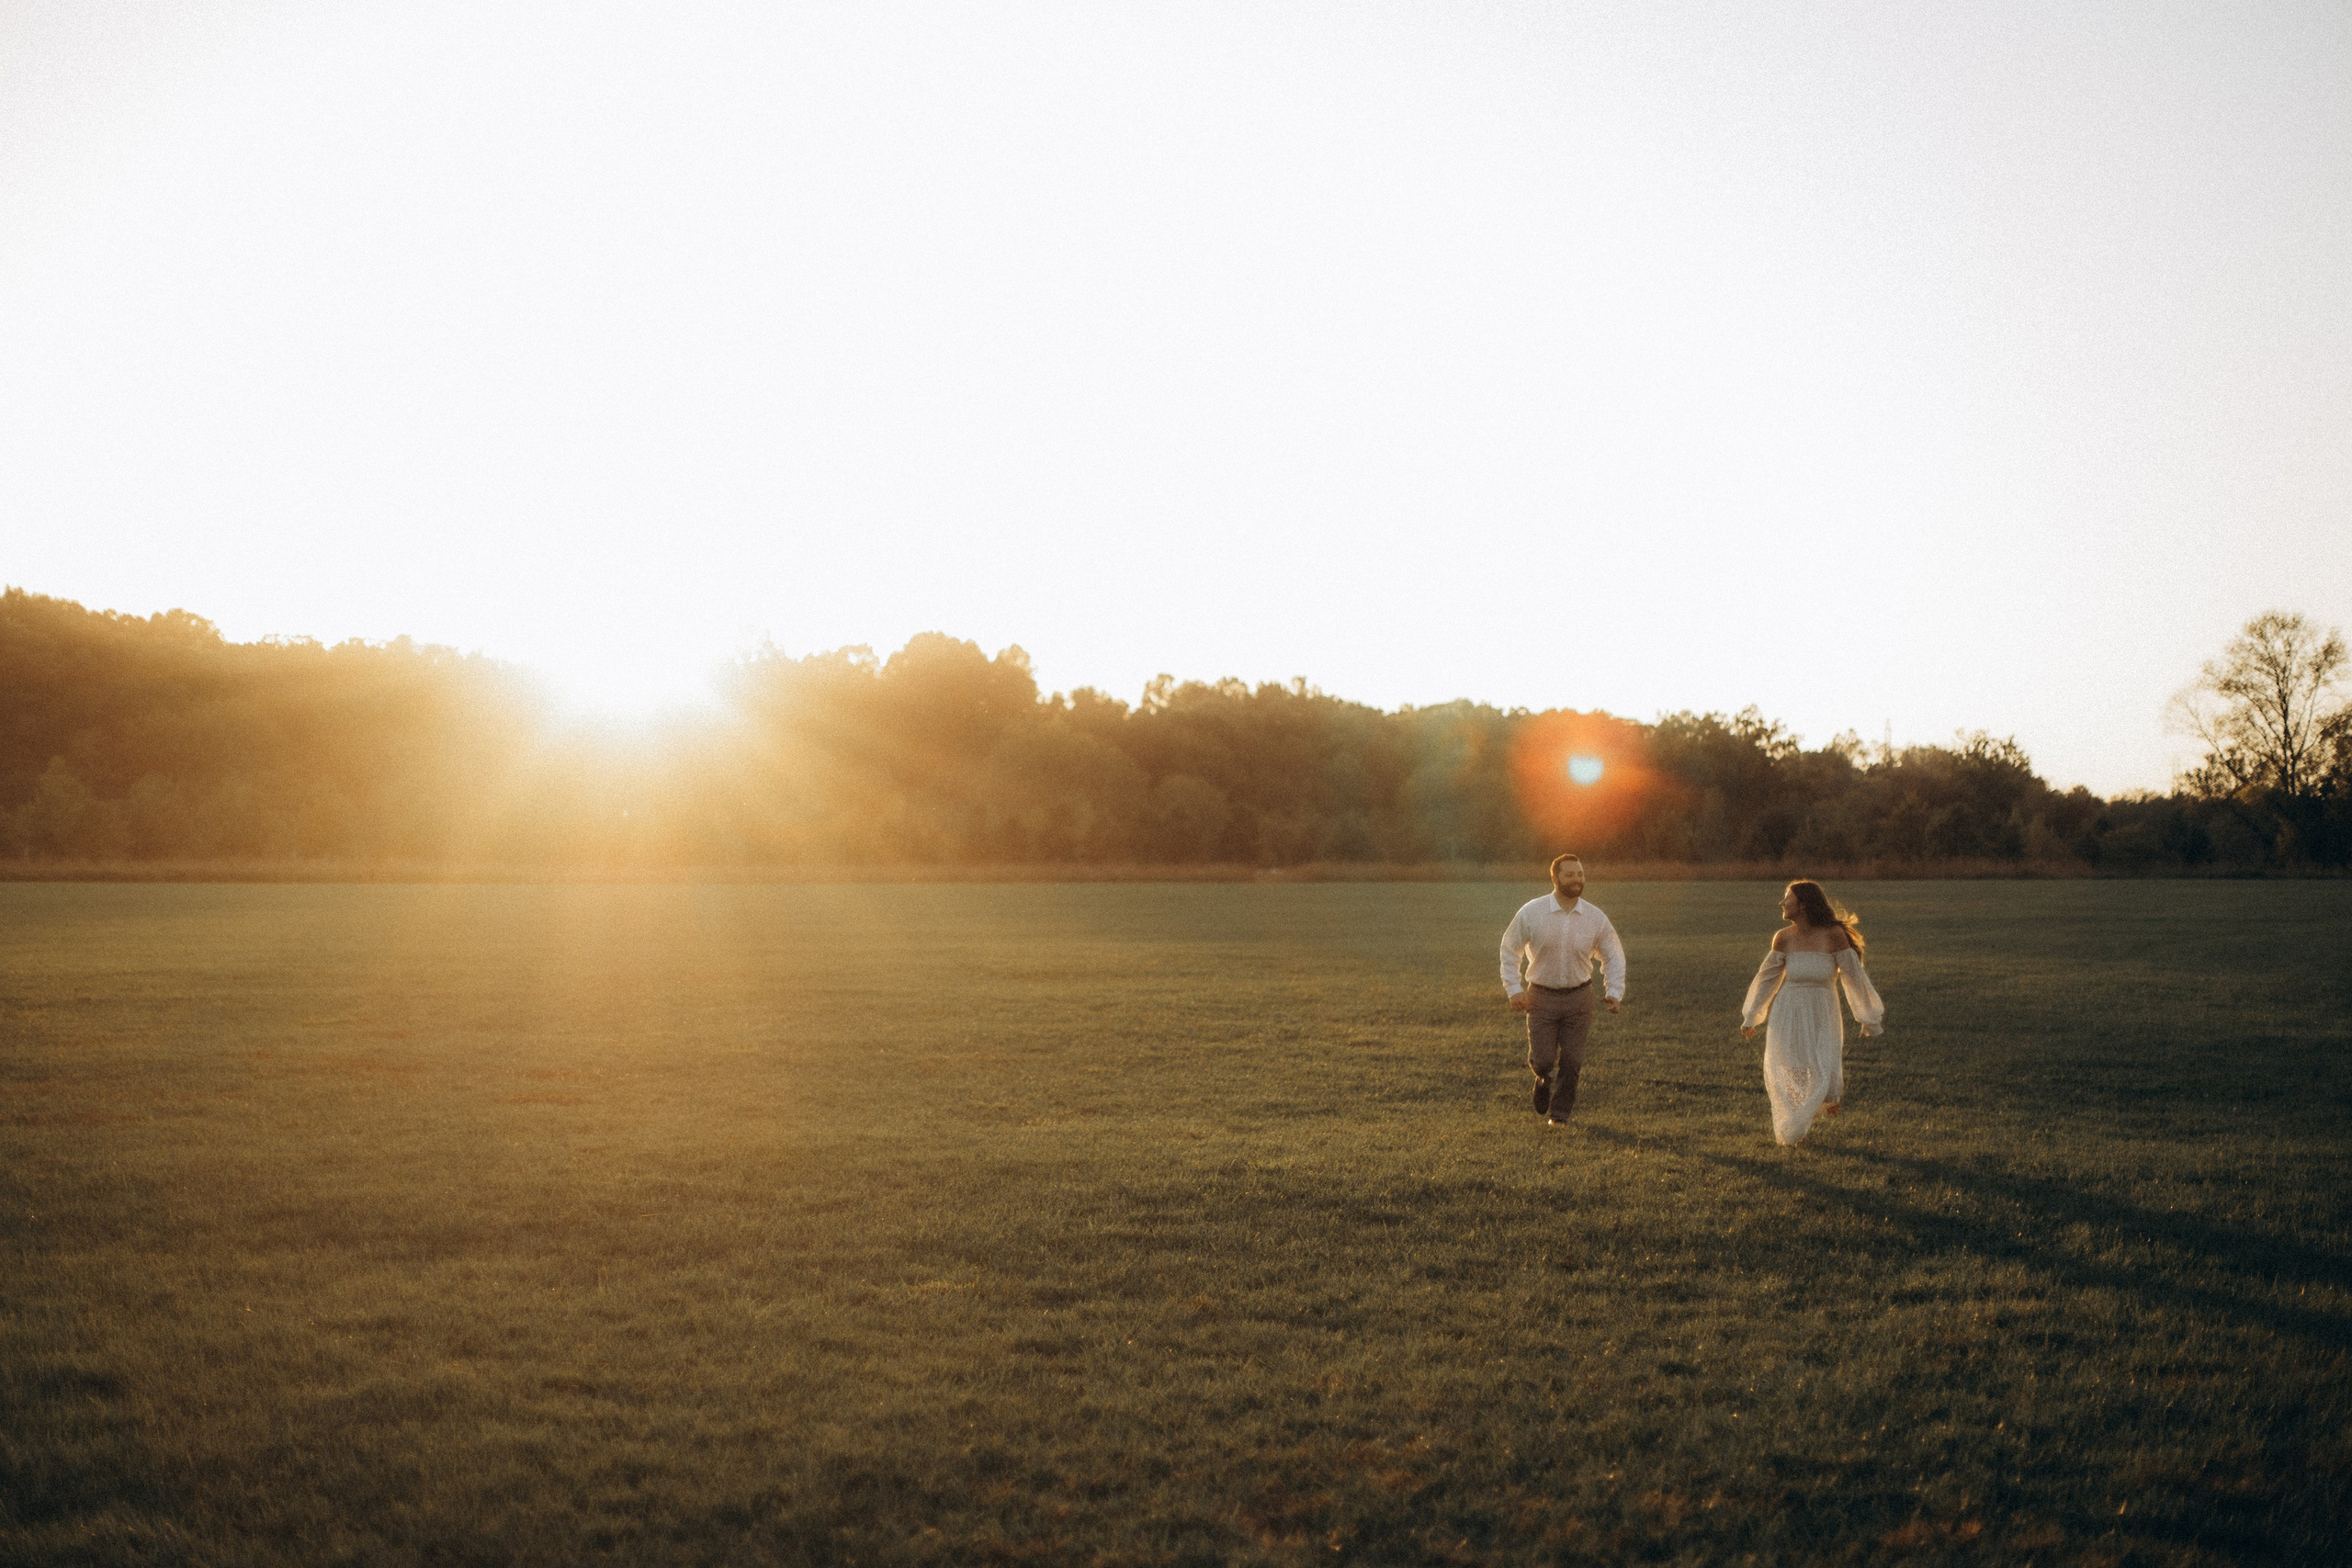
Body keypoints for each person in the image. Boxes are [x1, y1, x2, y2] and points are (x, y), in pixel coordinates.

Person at [1739, 879, 1884, 1145]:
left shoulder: (1833, 936)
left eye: (1788, 898)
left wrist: (1868, 1016)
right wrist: (1752, 1016)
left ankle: (1824, 1102)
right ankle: (1797, 1132)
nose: (1782, 903)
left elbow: (1853, 976)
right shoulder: (1783, 937)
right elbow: (1767, 979)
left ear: (1803, 905)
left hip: (1822, 1009)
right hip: (1788, 1010)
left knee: (1822, 1067)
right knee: (1790, 1068)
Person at [1498, 852, 1627, 1126]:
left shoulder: (1595, 917)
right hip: (1541, 997)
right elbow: (1510, 949)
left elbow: (1613, 954)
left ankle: (1559, 1117)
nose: (1577, 879)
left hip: (1579, 998)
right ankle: (1543, 1078)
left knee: (1572, 1062)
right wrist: (1513, 988)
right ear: (1555, 878)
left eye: (1580, 874)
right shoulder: (1532, 912)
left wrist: (1614, 991)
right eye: (1570, 874)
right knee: (1543, 1059)